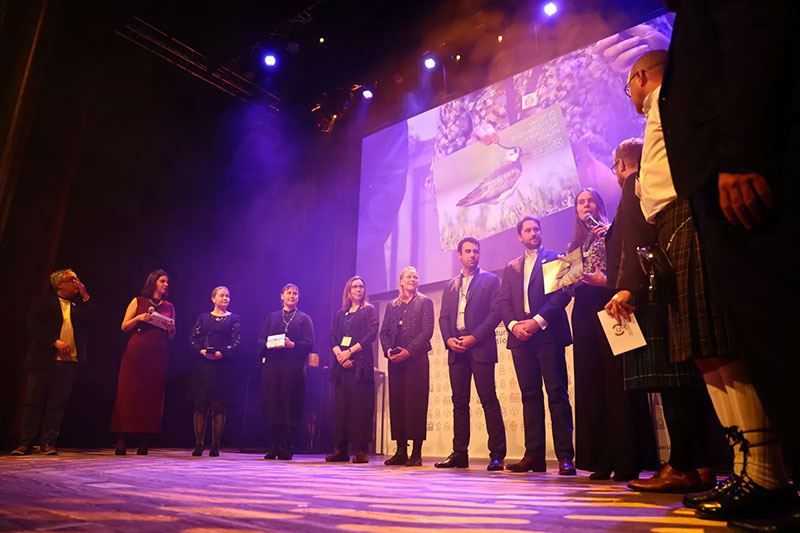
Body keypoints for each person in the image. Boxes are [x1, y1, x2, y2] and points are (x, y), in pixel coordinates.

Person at [611, 49, 796, 521]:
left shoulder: (678, 97)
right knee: (705, 350)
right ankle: (745, 471)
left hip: (692, 217)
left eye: (627, 84)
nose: (628, 93)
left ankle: (766, 476)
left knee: (720, 344)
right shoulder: (660, 109)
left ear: (639, 77)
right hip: (674, 226)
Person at [657, 3, 799, 528]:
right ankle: (757, 475)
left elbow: (755, 35)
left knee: (762, 334)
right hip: (707, 191)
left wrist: (739, 153)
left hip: (734, 173)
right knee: (730, 345)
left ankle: (767, 475)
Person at [605, 138, 715, 493]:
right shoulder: (657, 181)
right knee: (685, 380)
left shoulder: (634, 184)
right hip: (668, 286)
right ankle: (700, 465)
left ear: (623, 165)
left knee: (672, 382)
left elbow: (637, 240)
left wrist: (626, 288)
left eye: (614, 167)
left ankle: (682, 466)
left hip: (652, 293)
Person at [566, 188, 649, 481]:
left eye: (590, 200)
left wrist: (606, 277)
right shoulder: (573, 244)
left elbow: (626, 269)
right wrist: (565, 279)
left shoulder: (612, 231)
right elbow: (568, 284)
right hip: (584, 312)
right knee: (591, 384)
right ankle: (600, 459)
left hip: (611, 305)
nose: (585, 205)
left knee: (618, 383)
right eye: (580, 202)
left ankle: (627, 460)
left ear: (599, 205)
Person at [499, 217, 575, 475]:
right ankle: (533, 456)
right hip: (521, 339)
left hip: (547, 334)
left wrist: (537, 322)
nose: (533, 233)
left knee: (557, 394)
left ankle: (565, 456)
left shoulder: (555, 258)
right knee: (530, 396)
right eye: (528, 230)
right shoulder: (511, 267)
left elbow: (561, 295)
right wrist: (514, 326)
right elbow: (504, 302)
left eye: (536, 229)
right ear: (519, 237)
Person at [435, 237, 506, 471]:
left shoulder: (491, 280)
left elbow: (496, 313)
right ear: (459, 255)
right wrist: (448, 340)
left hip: (481, 346)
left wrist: (474, 337)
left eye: (476, 251)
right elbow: (444, 316)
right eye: (467, 251)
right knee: (459, 403)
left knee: (488, 400)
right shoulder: (450, 285)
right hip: (456, 349)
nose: (472, 255)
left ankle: (497, 454)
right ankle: (459, 453)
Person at [11, 270, 92, 456]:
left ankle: (48, 442)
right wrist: (54, 342)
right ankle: (26, 442)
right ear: (59, 284)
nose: (76, 283)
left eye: (77, 280)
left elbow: (93, 321)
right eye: (72, 280)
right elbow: (33, 325)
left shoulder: (78, 305)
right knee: (34, 402)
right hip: (43, 360)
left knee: (57, 403)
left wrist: (86, 296)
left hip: (68, 362)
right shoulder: (43, 302)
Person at [111, 269, 176, 455]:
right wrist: (140, 317)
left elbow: (172, 336)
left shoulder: (169, 306)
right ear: (153, 282)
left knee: (151, 396)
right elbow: (124, 326)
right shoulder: (138, 301)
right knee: (128, 394)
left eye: (167, 282)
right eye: (162, 281)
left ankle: (144, 441)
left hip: (158, 353)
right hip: (136, 352)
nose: (165, 285)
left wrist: (171, 328)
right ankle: (121, 440)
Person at [379, 266, 434, 467]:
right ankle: (401, 449)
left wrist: (408, 352)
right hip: (395, 361)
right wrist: (388, 351)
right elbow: (383, 332)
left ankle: (416, 452)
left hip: (416, 360)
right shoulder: (392, 306)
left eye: (416, 277)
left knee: (416, 405)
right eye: (409, 276)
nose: (413, 279)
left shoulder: (425, 302)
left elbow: (427, 331)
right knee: (398, 404)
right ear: (401, 281)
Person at [258, 283, 314, 460]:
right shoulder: (272, 316)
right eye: (289, 293)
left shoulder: (303, 318)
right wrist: (266, 344)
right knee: (272, 405)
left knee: (290, 406)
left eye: (295, 293)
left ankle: (287, 446)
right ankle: (274, 446)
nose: (292, 296)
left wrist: (293, 345)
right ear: (282, 295)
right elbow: (260, 339)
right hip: (273, 368)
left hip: (293, 369)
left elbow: (309, 343)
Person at [326, 276, 378, 464]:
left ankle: (362, 450)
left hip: (360, 365)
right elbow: (332, 337)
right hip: (342, 366)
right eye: (354, 287)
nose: (358, 289)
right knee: (342, 408)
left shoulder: (369, 310)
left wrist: (349, 352)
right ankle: (341, 449)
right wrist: (340, 355)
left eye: (361, 287)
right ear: (348, 291)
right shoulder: (341, 313)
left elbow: (371, 335)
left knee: (361, 407)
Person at [188, 286, 241, 457]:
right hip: (203, 366)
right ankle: (199, 444)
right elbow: (193, 338)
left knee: (219, 404)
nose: (225, 298)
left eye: (228, 296)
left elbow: (236, 341)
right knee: (200, 404)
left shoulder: (234, 319)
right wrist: (202, 351)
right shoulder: (203, 318)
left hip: (223, 365)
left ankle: (215, 444)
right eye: (222, 295)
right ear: (213, 298)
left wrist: (222, 353)